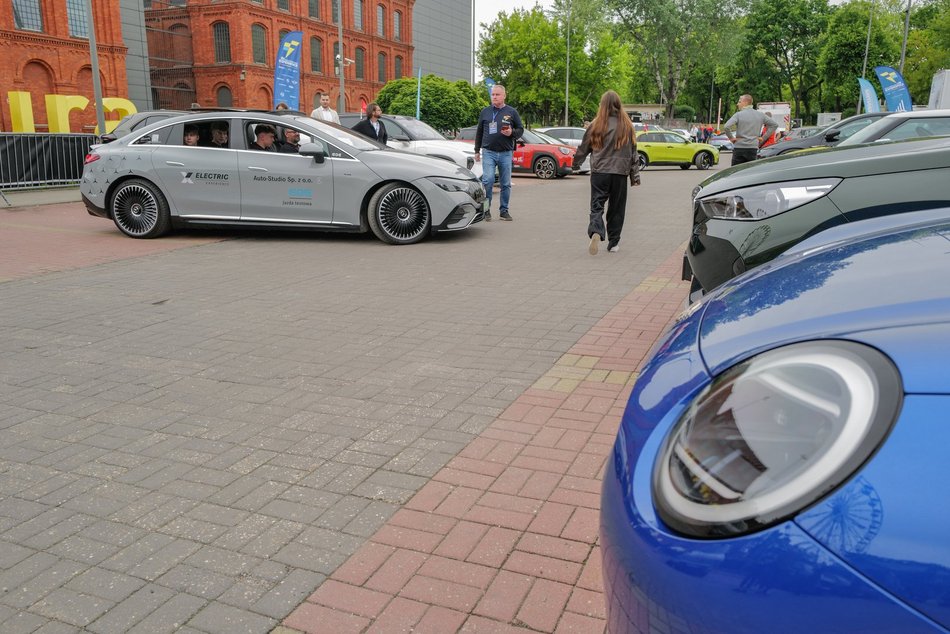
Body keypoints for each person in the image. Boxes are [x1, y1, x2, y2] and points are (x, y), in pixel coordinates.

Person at [572, 90, 640, 255]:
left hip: (600, 172)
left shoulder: (596, 124)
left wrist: (576, 164)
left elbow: (584, 147)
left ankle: (596, 230)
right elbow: (633, 152)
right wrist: (635, 176)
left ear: (602, 105)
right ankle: (613, 243)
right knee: (617, 209)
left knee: (597, 205)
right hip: (620, 173)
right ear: (618, 104)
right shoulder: (627, 125)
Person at [473, 84, 523, 221]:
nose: (494, 97)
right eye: (493, 94)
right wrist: (477, 150)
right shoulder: (485, 112)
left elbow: (520, 129)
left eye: (497, 94)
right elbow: (479, 132)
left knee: (505, 183)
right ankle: (486, 209)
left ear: (504, 96)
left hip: (506, 153)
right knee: (488, 180)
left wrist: (512, 132)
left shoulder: (512, 112)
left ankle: (504, 211)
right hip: (488, 152)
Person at [722, 94, 777, 166]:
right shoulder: (760, 115)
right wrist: (763, 138)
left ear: (745, 102)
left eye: (739, 102)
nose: (737, 104)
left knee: (735, 172)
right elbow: (774, 125)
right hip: (753, 148)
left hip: (739, 147)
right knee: (751, 171)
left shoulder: (738, 115)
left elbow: (726, 126)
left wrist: (731, 138)